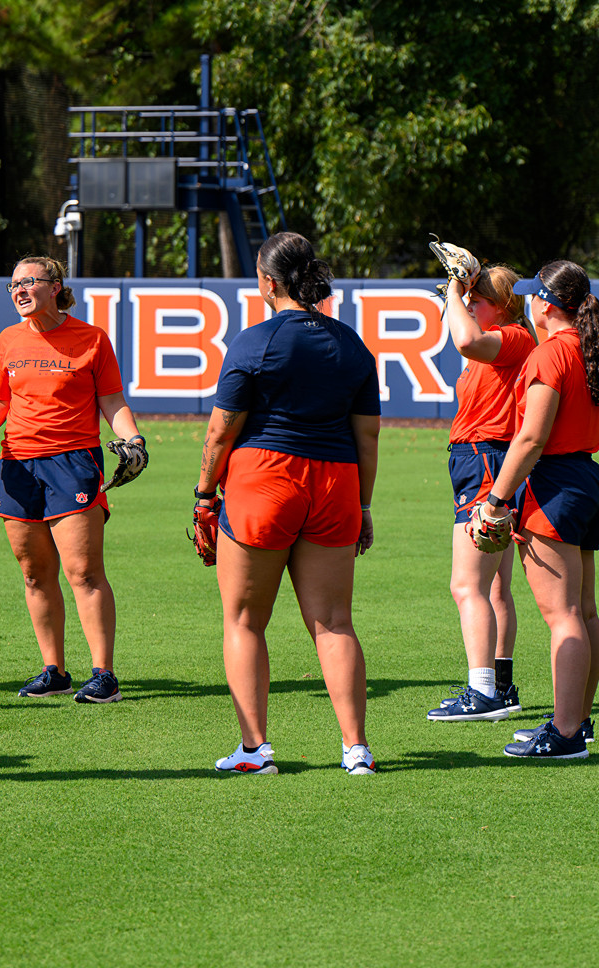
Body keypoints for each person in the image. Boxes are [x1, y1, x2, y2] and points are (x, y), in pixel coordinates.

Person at [193, 231, 380, 776]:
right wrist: (362, 507)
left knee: (246, 620)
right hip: (335, 482)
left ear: (267, 282)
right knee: (334, 623)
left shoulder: (255, 341)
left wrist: (205, 496)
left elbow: (221, 432)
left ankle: (254, 751)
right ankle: (356, 750)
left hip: (264, 478)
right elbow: (367, 436)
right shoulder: (352, 345)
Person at [0, 256, 143, 704]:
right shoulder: (8, 339)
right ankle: (55, 670)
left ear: (55, 286)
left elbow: (113, 401)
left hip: (73, 462)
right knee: (34, 574)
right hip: (18, 465)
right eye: (13, 284)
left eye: (28, 282)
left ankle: (104, 675)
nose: (19, 290)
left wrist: (133, 438)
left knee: (84, 572)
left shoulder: (91, 339)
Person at [474, 259, 599, 763]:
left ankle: (565, 732)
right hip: (587, 479)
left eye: (532, 295)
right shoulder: (588, 346)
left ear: (545, 303)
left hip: (556, 482)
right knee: (585, 612)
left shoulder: (551, 353)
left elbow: (532, 437)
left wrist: (496, 499)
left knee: (565, 616)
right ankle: (576, 718)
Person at [426, 263, 534, 723]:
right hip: (486, 458)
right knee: (493, 586)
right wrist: (459, 293)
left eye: (479, 299)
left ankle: (483, 690)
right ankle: (501, 686)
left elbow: (467, 339)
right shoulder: (504, 340)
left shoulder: (513, 336)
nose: (469, 305)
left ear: (504, 305)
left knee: (466, 584)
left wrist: (455, 285)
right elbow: (467, 336)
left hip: (486, 459)